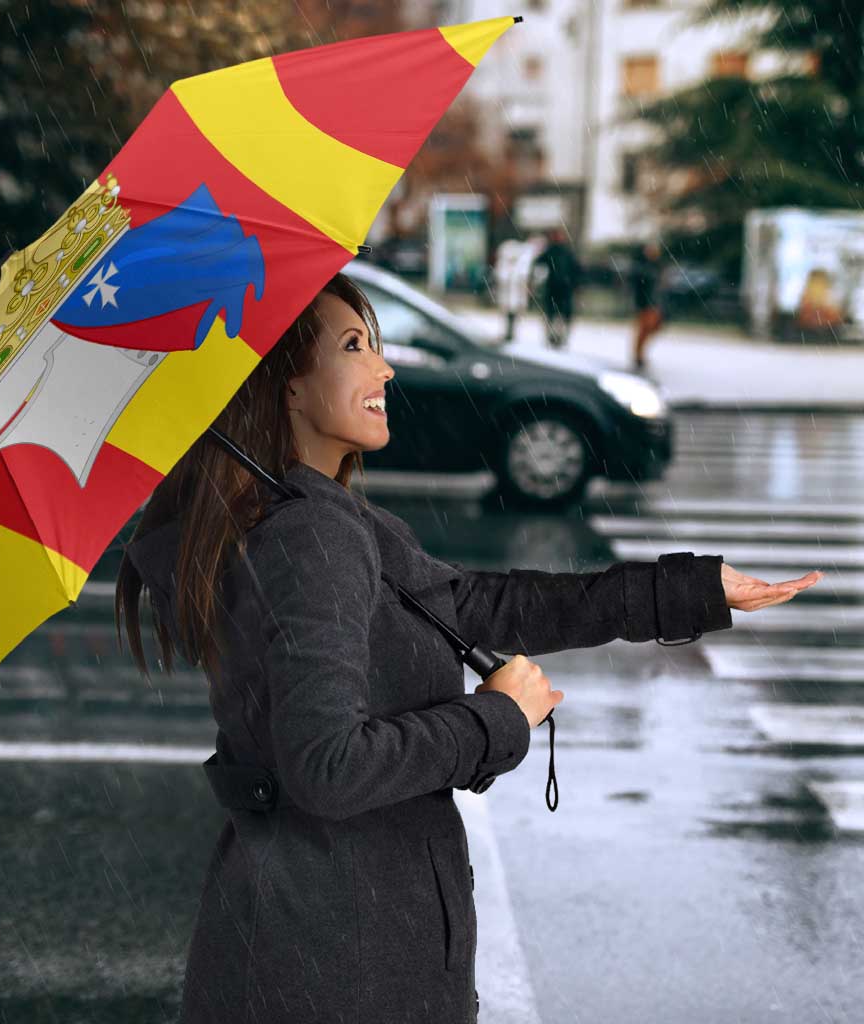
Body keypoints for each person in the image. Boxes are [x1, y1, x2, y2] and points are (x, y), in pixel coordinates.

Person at [116, 272, 822, 1024]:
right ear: (287, 388)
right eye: (355, 346)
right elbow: (327, 767)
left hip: (317, 943)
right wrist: (495, 719)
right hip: (337, 962)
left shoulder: (319, 520)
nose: (384, 368)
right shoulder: (310, 536)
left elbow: (483, 606)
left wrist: (689, 590)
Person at [532, 226, 582, 349]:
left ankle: (559, 337)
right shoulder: (552, 251)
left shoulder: (565, 252)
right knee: (553, 314)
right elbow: (538, 264)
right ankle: (553, 337)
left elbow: (576, 270)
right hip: (555, 288)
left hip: (563, 288)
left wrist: (575, 284)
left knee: (560, 315)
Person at [630, 239, 666, 370]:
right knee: (644, 329)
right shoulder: (642, 267)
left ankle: (639, 354)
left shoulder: (657, 266)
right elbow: (639, 286)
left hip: (654, 303)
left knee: (652, 328)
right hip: (645, 303)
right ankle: (638, 355)